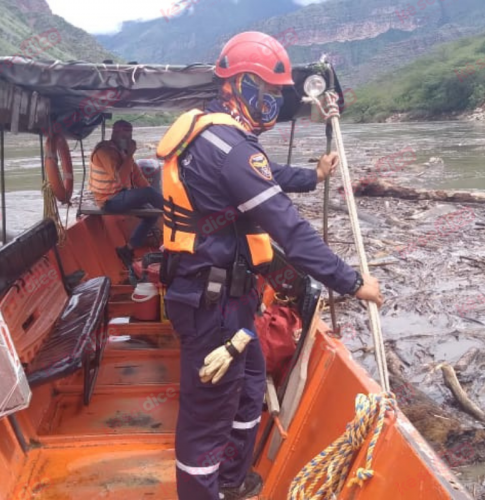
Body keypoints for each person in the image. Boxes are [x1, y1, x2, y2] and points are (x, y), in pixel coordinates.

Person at [155, 31, 384, 500]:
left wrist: (313, 175)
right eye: (269, 92)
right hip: (211, 306)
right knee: (207, 418)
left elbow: (267, 174)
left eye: (279, 94)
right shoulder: (231, 148)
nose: (274, 103)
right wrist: (353, 282)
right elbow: (291, 233)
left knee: (251, 382)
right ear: (240, 86)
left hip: (225, 301)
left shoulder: (215, 138)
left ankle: (234, 479)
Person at [89, 120, 164, 265]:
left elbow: (138, 177)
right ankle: (176, 213)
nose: (127, 140)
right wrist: (129, 155)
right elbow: (121, 179)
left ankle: (127, 249)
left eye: (129, 137)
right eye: (124, 137)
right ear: (115, 134)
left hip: (121, 196)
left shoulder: (122, 153)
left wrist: (155, 197)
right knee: (148, 194)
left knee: (152, 214)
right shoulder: (105, 152)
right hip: (109, 200)